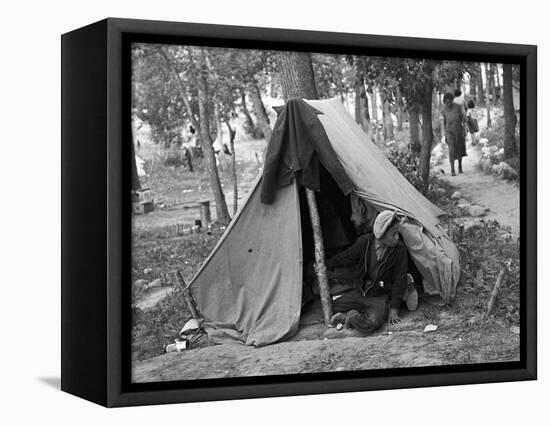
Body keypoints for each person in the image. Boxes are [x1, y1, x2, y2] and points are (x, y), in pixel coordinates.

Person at [316, 210, 418, 328]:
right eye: (393, 234)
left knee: (372, 322)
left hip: (380, 295)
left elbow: (399, 279)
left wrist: (394, 309)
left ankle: (352, 317)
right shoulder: (365, 242)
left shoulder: (400, 249)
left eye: (397, 234)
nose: (397, 238)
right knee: (331, 306)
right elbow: (346, 257)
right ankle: (353, 316)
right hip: (362, 292)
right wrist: (325, 264)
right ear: (381, 235)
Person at [441, 92, 467, 176]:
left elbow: (464, 119)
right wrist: (444, 134)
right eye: (446, 102)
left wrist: (463, 130)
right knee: (451, 150)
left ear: (452, 100)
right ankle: (452, 169)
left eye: (450, 102)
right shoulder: (443, 110)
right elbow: (443, 123)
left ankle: (460, 166)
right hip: (449, 132)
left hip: (458, 131)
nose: (448, 104)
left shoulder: (458, 107)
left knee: (459, 149)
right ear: (444, 102)